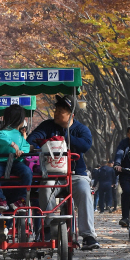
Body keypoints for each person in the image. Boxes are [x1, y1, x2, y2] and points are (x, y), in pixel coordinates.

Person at [28, 94, 100, 251]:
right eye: (56, 109)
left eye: (61, 110)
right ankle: (48, 227)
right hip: (52, 174)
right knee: (45, 186)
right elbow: (32, 139)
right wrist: (41, 144)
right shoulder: (47, 126)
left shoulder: (81, 129)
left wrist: (65, 137)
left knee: (84, 191)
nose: (56, 112)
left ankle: (88, 235)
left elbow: (85, 145)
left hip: (76, 174)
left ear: (71, 114)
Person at [0, 104, 33, 210]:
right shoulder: (3, 132)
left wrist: (22, 151)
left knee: (27, 172)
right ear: (20, 120)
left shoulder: (20, 135)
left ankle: (22, 200)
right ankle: (0, 200)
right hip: (1, 162)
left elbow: (25, 146)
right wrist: (12, 144)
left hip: (16, 162)